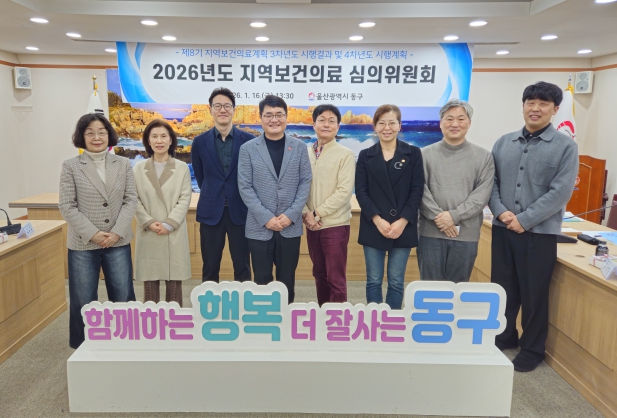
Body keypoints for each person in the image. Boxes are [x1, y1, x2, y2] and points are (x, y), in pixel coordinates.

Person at [489, 81, 578, 372]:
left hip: (539, 234)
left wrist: (524, 220)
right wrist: (502, 213)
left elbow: (560, 192)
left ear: (555, 109)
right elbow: (492, 184)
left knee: (534, 294)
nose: (535, 108)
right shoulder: (504, 142)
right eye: (531, 102)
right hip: (503, 229)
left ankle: (532, 349)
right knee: (503, 289)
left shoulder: (565, 147)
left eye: (543, 104)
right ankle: (504, 335)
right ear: (523, 106)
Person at [59, 113, 137, 349]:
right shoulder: (71, 166)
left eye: (101, 132)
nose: (96, 137)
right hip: (83, 243)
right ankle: (84, 348)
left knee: (123, 296)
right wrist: (93, 233)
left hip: (117, 241)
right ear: (81, 137)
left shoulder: (123, 164)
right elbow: (67, 205)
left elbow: (130, 200)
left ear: (109, 135)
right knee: (83, 300)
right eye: (90, 133)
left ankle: (127, 344)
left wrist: (117, 232)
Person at [238, 95, 312, 303]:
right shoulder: (248, 149)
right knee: (261, 280)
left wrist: (291, 215)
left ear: (286, 117)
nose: (274, 119)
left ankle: (286, 317)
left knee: (287, 280)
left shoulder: (299, 147)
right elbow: (245, 186)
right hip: (259, 226)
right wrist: (266, 218)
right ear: (261, 118)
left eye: (279, 115)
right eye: (268, 115)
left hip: (290, 226)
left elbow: (305, 181)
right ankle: (264, 318)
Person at [355, 105, 424, 309]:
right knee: (373, 280)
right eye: (382, 123)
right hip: (373, 224)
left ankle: (392, 321)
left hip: (403, 225)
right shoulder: (365, 155)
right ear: (375, 127)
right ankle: (374, 321)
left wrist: (402, 221)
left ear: (399, 126)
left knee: (396, 280)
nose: (387, 128)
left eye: (392, 123)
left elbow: (417, 191)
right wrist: (378, 220)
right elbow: (361, 192)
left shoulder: (413, 153)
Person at [418, 99, 494, 283]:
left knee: (458, 288)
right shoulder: (423, 154)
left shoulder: (484, 156)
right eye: (449, 119)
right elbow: (419, 191)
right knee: (429, 287)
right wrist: (440, 218)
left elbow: (481, 195)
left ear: (469, 123)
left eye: (460, 119)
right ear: (440, 123)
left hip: (466, 235)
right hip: (430, 233)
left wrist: (453, 216)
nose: (455, 124)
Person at [191, 87, 255, 283]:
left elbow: (252, 178)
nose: (222, 110)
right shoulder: (199, 142)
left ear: (234, 109)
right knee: (210, 266)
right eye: (217, 106)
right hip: (211, 212)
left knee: (243, 266)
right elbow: (201, 177)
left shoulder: (249, 141)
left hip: (240, 212)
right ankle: (210, 302)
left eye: (227, 106)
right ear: (210, 109)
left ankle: (243, 301)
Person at [133, 119, 192, 305]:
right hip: (148, 231)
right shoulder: (138, 168)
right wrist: (149, 222)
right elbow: (133, 198)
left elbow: (185, 198)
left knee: (174, 285)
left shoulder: (181, 168)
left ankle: (174, 321)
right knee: (150, 286)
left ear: (171, 140)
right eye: (154, 136)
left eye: (163, 136)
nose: (159, 141)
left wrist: (169, 223)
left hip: (173, 231)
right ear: (148, 141)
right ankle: (151, 322)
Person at [303, 104, 356, 306]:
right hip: (311, 224)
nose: (326, 124)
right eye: (322, 120)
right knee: (319, 274)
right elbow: (298, 186)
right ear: (313, 124)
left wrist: (317, 213)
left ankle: (337, 320)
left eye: (331, 121)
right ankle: (323, 315)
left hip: (335, 225)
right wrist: (306, 213)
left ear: (338, 127)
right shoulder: (305, 152)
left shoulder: (345, 154)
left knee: (336, 278)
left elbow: (344, 192)